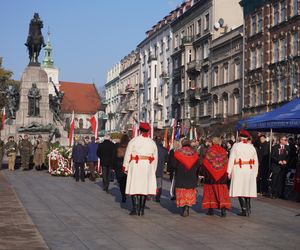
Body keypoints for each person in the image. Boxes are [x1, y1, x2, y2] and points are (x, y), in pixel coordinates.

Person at [123, 122, 158, 216]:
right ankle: (142, 210)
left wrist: (125, 166)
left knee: (134, 186)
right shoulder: (152, 142)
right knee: (144, 188)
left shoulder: (134, 141)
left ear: (140, 130)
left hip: (136, 165)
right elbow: (155, 157)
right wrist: (153, 169)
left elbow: (128, 154)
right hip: (147, 166)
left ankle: (135, 209)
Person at [227, 129, 258, 216]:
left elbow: (231, 159)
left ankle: (244, 210)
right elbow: (256, 161)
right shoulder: (252, 147)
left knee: (240, 189)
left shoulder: (236, 146)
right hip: (249, 170)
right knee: (247, 189)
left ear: (240, 137)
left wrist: (229, 171)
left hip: (239, 169)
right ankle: (248, 208)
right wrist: (255, 172)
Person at [201, 137, 231, 217]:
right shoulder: (223, 151)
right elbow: (226, 162)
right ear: (219, 142)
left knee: (210, 192)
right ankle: (223, 209)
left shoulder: (209, 151)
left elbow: (205, 163)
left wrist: (204, 173)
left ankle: (210, 209)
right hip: (222, 176)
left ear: (212, 142)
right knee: (222, 193)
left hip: (210, 175)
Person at [173, 138, 200, 217]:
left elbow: (173, 164)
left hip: (181, 174)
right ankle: (187, 207)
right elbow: (198, 164)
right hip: (191, 175)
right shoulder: (194, 153)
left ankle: (183, 206)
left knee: (182, 191)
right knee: (189, 191)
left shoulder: (178, 152)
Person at [113, 134, 130, 203]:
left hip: (118, 164)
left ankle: (123, 195)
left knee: (121, 182)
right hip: (127, 165)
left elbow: (114, 156)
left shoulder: (117, 146)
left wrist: (113, 166)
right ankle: (126, 191)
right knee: (126, 180)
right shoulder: (129, 146)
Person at [155, 135, 169, 203]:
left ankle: (148, 195)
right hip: (160, 169)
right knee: (159, 184)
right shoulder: (164, 150)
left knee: (150, 182)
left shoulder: (152, 148)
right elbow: (167, 160)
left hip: (151, 169)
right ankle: (158, 197)